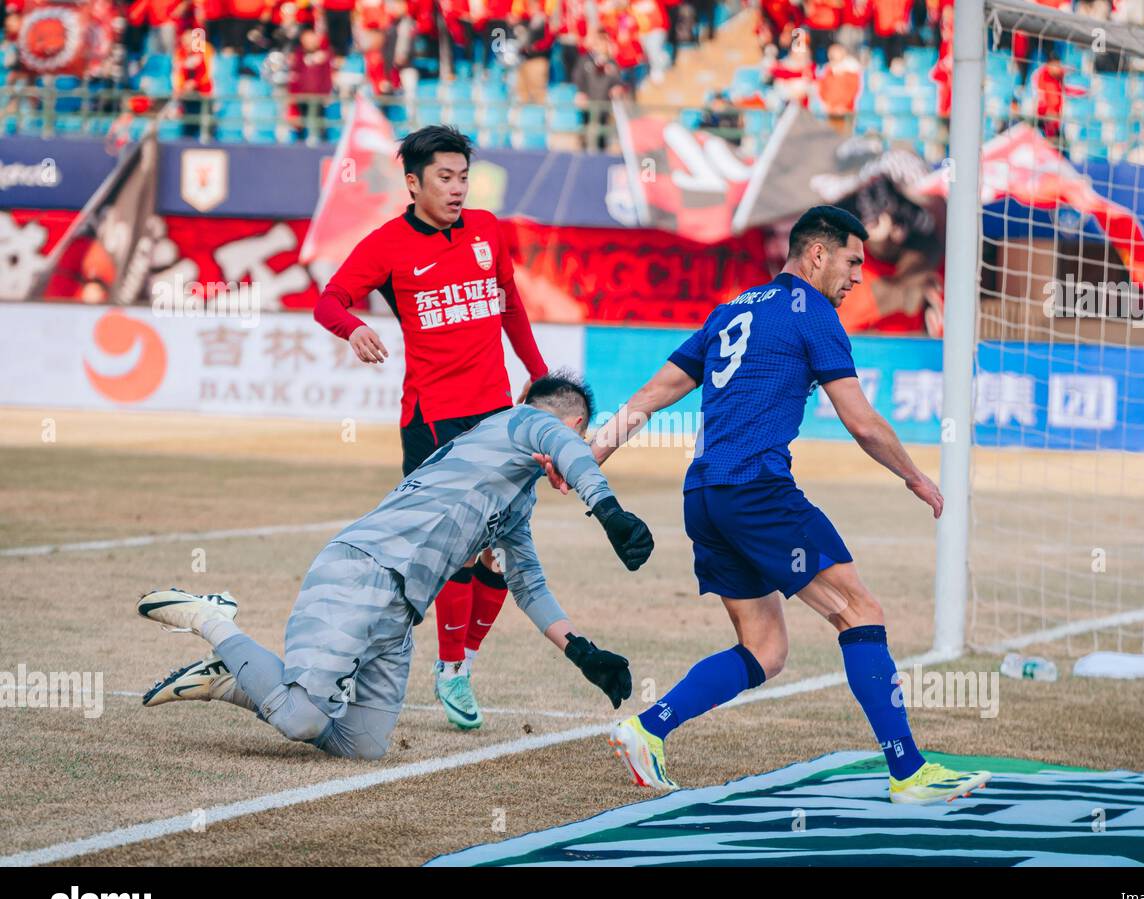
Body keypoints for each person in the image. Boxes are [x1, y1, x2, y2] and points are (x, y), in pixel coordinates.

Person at [554, 206, 991, 804]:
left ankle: (645, 728)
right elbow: (860, 422)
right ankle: (908, 772)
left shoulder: (731, 308)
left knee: (766, 649)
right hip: (756, 491)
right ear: (817, 254)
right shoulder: (813, 314)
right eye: (853, 261)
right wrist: (915, 476)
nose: (859, 276)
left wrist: (588, 457)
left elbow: (652, 396)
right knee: (859, 611)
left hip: (705, 496)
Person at [137, 374, 653, 761]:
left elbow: (528, 584)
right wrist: (608, 512)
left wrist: (582, 653)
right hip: (360, 573)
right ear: (572, 425)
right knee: (300, 719)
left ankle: (232, 678)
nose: (582, 449)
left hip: (399, 613)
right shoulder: (523, 421)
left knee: (362, 746)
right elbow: (571, 453)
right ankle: (210, 620)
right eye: (581, 437)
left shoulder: (515, 499)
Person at [312, 125, 550, 730]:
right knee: (456, 553)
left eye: (463, 176)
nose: (457, 189)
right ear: (413, 183)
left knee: (500, 554)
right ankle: (445, 667)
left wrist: (541, 380)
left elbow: (511, 308)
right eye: (444, 177)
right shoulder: (388, 244)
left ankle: (461, 664)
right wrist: (354, 328)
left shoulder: (488, 230)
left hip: (497, 414)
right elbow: (329, 301)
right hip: (434, 420)